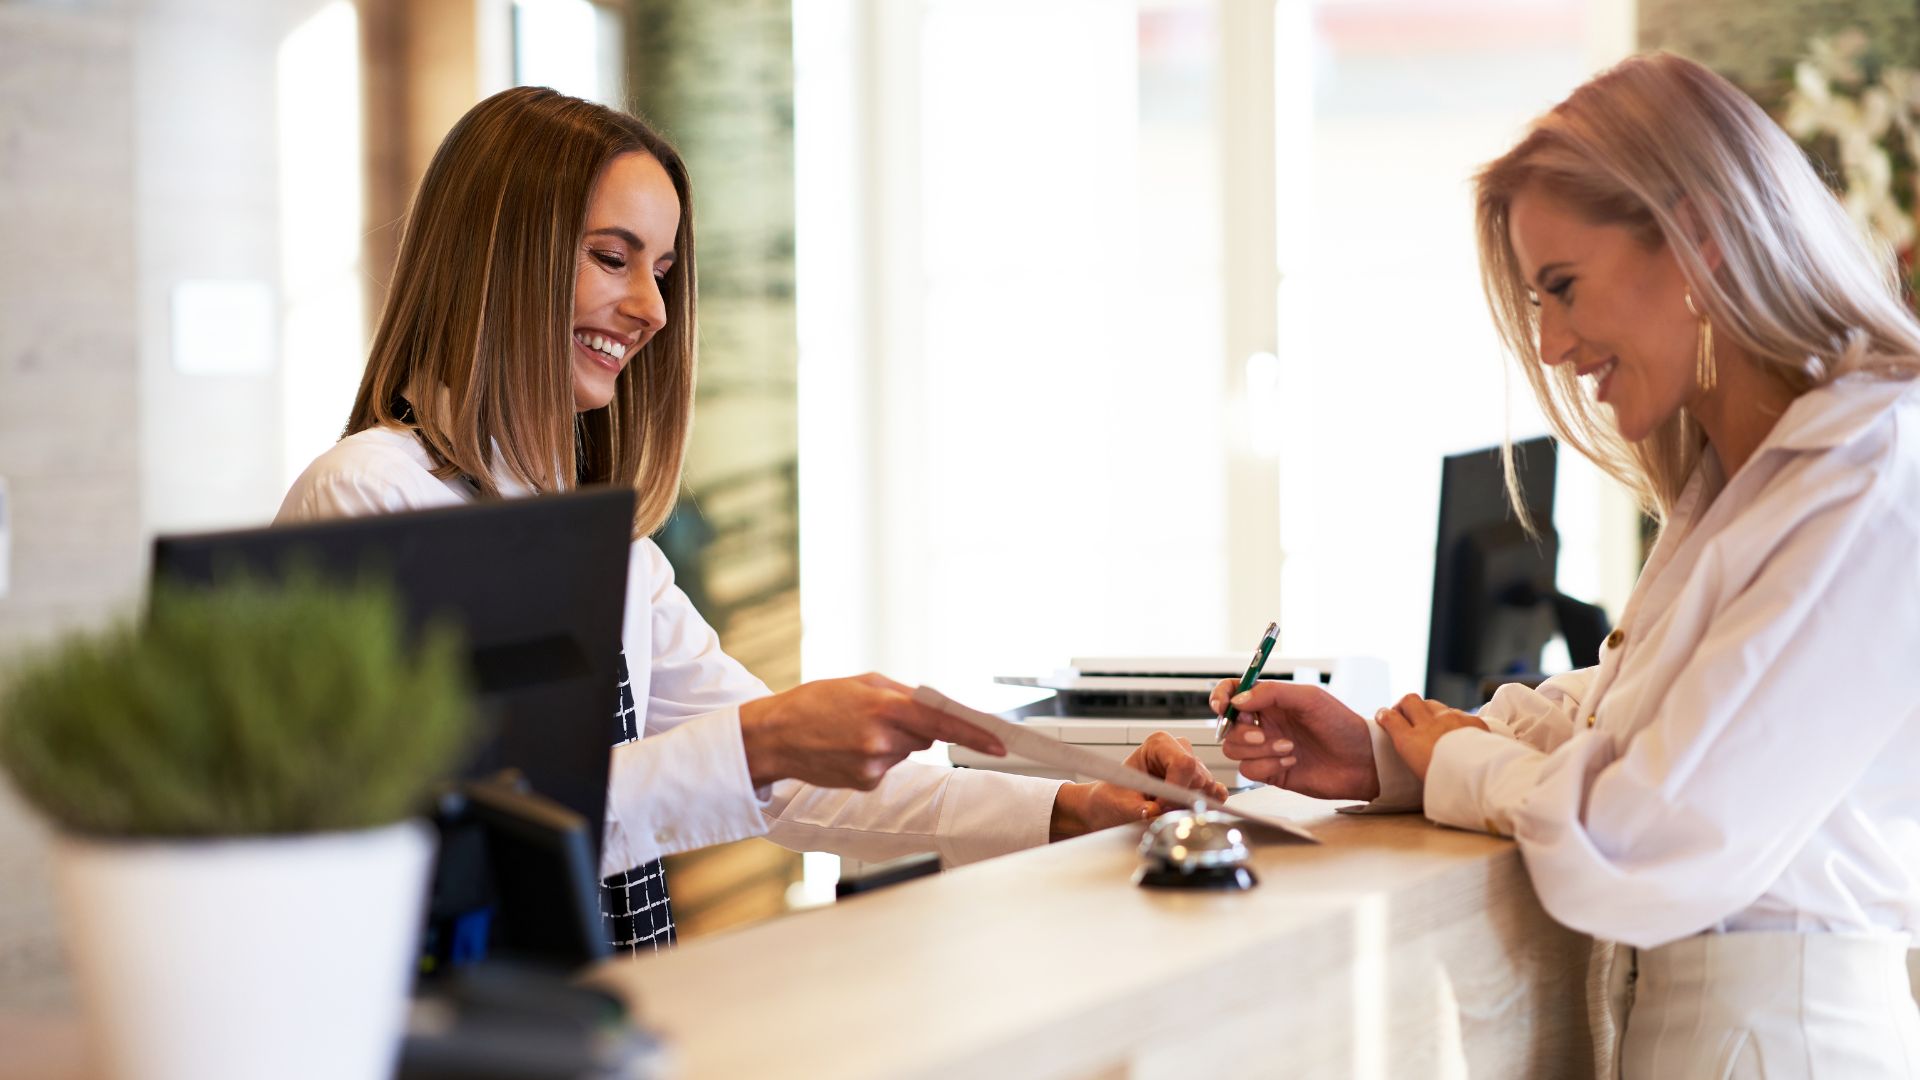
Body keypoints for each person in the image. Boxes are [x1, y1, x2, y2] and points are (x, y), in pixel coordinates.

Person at [277, 86, 1224, 953]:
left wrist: (1073, 806)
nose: (650, 308)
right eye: (612, 258)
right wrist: (762, 741)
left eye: (663, 270)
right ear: (501, 259)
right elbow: (454, 833)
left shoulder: (606, 549)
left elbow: (785, 786)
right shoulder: (370, 496)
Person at [1215, 52, 1920, 1077]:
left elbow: (1634, 845)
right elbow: (1646, 711)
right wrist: (1392, 751)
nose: (1550, 345)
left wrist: (1463, 762)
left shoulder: (1866, 476)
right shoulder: (1760, 479)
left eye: (1563, 288)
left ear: (1699, 242)